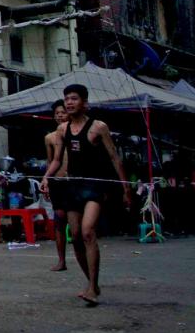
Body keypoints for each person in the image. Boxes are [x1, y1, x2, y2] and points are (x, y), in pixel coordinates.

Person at [41, 84, 132, 306]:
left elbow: (114, 157)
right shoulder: (62, 130)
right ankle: (92, 283)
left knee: (87, 231)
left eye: (74, 99)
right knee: (75, 235)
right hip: (73, 185)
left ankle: (92, 287)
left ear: (85, 102)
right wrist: (46, 178)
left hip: (95, 185)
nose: (69, 103)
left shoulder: (98, 127)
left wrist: (125, 188)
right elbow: (56, 159)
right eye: (66, 99)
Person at [43, 99, 70, 272]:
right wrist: (47, 180)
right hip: (58, 182)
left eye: (63, 112)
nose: (60, 115)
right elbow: (51, 160)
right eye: (57, 113)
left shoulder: (78, 133)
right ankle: (61, 260)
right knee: (59, 219)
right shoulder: (50, 137)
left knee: (78, 225)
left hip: (75, 182)